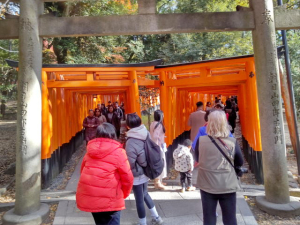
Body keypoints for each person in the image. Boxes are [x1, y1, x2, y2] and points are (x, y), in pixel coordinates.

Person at [76, 123, 134, 225]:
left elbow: (83, 172)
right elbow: (128, 177)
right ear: (113, 134)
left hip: (92, 198)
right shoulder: (119, 152)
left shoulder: (89, 151)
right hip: (111, 199)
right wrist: (123, 194)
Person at [197, 110, 244, 225]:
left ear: (209, 123)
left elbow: (198, 158)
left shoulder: (201, 141)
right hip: (227, 184)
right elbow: (240, 162)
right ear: (225, 124)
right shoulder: (232, 142)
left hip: (207, 184)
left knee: (209, 217)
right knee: (229, 217)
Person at [125, 113, 163, 225]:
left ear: (128, 126)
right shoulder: (145, 133)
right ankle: (156, 217)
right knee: (145, 193)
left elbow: (132, 162)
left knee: (139, 199)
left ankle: (142, 222)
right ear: (140, 123)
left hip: (137, 173)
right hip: (147, 170)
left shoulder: (131, 141)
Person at [149, 110, 167, 190]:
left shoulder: (153, 123)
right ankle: (157, 182)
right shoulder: (159, 125)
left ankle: (158, 180)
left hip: (154, 146)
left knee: (157, 163)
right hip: (158, 147)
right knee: (160, 163)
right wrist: (159, 142)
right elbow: (156, 136)